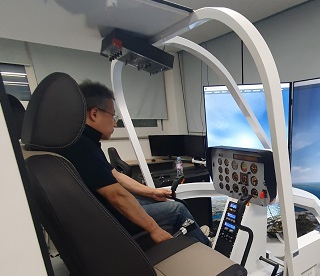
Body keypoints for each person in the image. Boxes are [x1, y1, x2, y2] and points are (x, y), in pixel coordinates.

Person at [56, 79, 210, 246]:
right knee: (178, 209)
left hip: (101, 214)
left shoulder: (80, 141)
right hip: (112, 219)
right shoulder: (83, 148)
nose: (115, 122)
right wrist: (154, 229)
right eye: (113, 116)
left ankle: (194, 235)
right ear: (94, 114)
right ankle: (206, 245)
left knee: (157, 201)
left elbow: (116, 176)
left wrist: (152, 192)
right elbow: (116, 195)